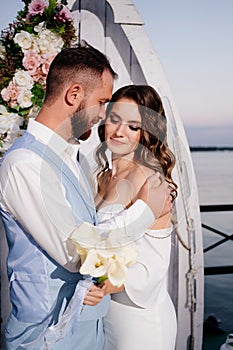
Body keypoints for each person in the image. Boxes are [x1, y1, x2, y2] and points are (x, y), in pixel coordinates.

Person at [0, 44, 173, 350]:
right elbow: (76, 253)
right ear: (75, 95)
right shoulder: (27, 164)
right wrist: (145, 209)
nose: (106, 117)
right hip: (47, 333)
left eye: (132, 125)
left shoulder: (72, 157)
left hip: (97, 325)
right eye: (103, 102)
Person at [94, 85, 178, 350]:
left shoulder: (150, 181)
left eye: (133, 126)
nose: (119, 132)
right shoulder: (102, 176)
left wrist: (106, 284)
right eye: (115, 120)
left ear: (147, 133)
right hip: (108, 310)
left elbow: (152, 266)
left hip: (141, 318)